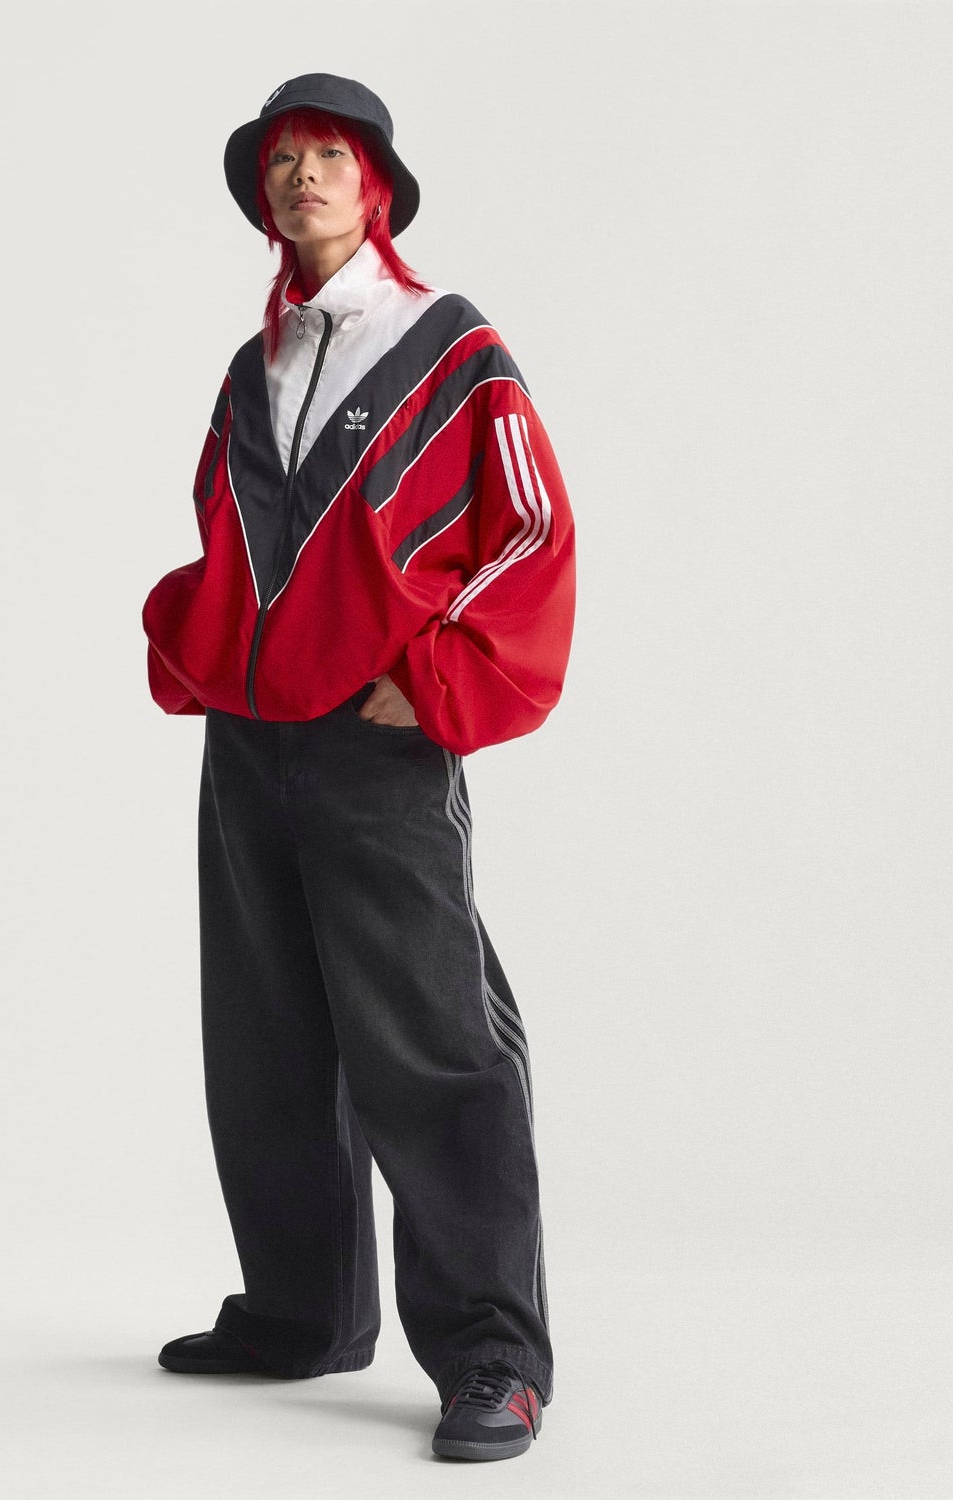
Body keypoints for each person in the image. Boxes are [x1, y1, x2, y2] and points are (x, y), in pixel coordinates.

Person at [141, 72, 576, 1462]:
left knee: (432, 1042)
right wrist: (210, 654)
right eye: (282, 158)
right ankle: (302, 1312)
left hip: (378, 745)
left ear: (375, 184)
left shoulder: (452, 349)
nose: (302, 176)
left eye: (328, 154)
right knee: (263, 1035)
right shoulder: (252, 365)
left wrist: (434, 675)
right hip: (250, 742)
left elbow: (531, 530)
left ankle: (493, 1354)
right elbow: (230, 535)